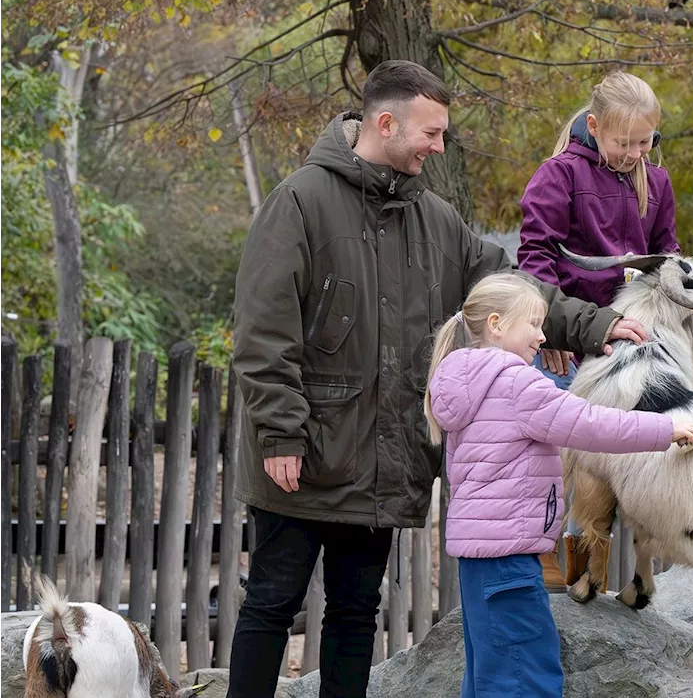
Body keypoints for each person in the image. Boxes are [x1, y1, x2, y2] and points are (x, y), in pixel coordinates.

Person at [228, 59, 652, 698]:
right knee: (271, 603)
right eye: (431, 133)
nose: (439, 145)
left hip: (385, 458)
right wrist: (280, 434)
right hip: (306, 452)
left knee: (354, 612)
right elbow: (263, 334)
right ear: (387, 122)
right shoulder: (298, 203)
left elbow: (510, 292)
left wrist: (594, 324)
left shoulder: (436, 219)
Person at [425, 271, 693, 697]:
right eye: (534, 324)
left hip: (476, 559)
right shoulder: (516, 383)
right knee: (528, 676)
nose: (542, 336)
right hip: (512, 558)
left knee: (487, 677)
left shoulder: (462, 383)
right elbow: (591, 424)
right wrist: (667, 428)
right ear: (497, 324)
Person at [516, 70, 680, 587]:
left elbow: (666, 253)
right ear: (594, 126)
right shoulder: (558, 175)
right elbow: (535, 256)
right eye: (622, 142)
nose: (634, 152)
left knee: (611, 453)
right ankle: (543, 554)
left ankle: (590, 564)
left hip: (626, 342)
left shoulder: (656, 181)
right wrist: (552, 330)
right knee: (556, 450)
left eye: (644, 142)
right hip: (569, 336)